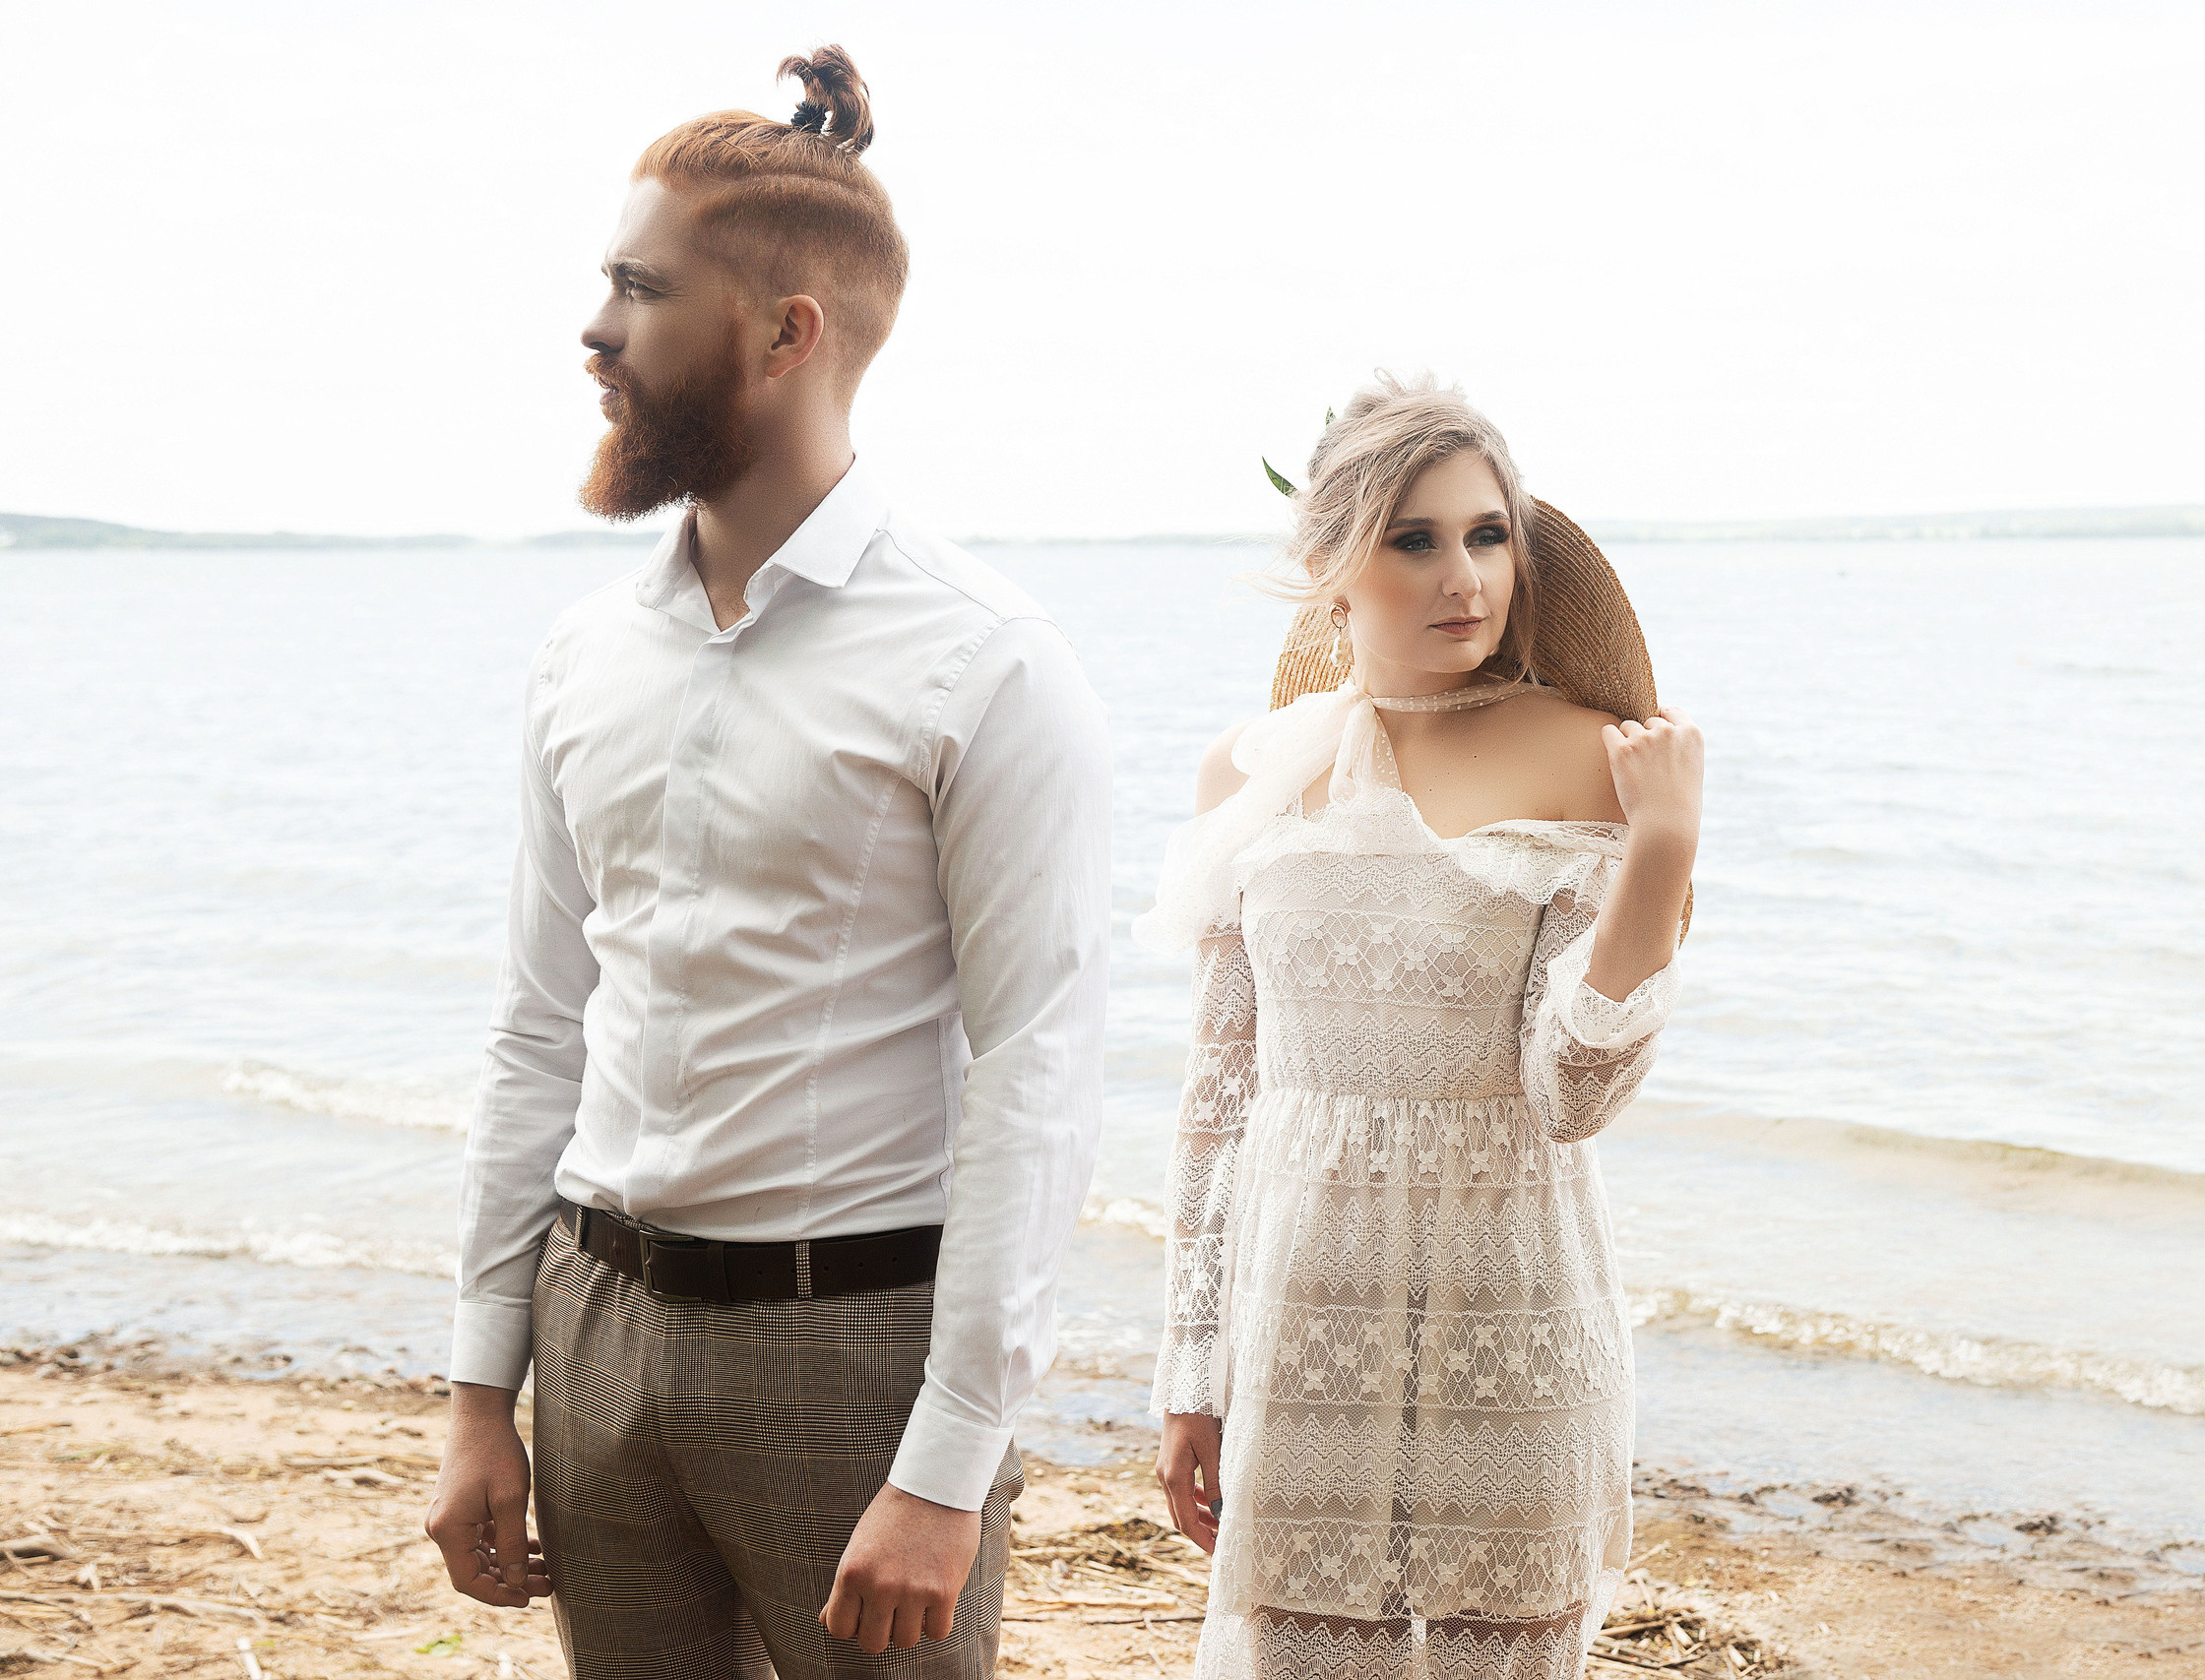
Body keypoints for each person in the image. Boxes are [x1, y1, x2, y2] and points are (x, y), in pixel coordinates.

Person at [422, 45, 1111, 1679]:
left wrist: (949, 1467)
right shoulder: (581, 656)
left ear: (785, 332)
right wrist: (478, 1389)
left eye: (640, 291)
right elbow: (536, 1026)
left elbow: (1039, 1071)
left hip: (855, 1350)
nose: (595, 332)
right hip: (593, 1335)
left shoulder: (987, 666)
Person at [1142, 374, 1702, 1680]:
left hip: (1515, 1305)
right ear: (1332, 563)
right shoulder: (1255, 770)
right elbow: (1220, 1092)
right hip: (1298, 1313)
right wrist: (1190, 1368)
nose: (1465, 577)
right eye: (1416, 538)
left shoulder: (1595, 759)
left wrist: (1662, 847)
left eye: (1489, 533)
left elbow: (1570, 1094)